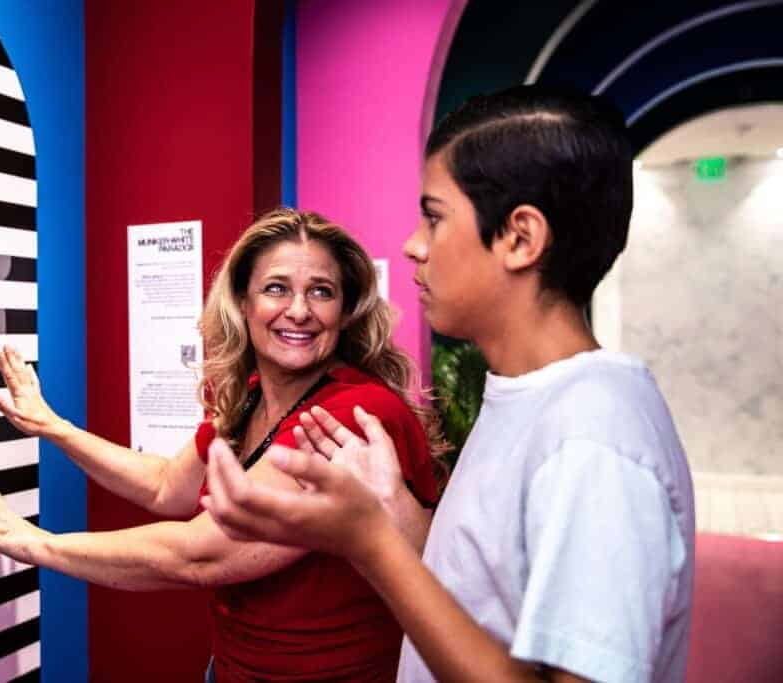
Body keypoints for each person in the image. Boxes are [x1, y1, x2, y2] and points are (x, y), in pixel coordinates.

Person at [202, 85, 696, 683]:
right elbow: (485, 596)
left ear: (520, 238)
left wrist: (370, 542)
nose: (413, 246)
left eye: (434, 217)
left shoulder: (593, 442)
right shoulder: (532, 399)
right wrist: (396, 512)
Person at [0, 208, 445, 681]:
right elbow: (168, 485)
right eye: (276, 289)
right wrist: (54, 427)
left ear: (346, 310)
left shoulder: (351, 415)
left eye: (322, 292)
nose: (299, 311)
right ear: (243, 303)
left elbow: (201, 554)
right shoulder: (252, 397)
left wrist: (39, 545)